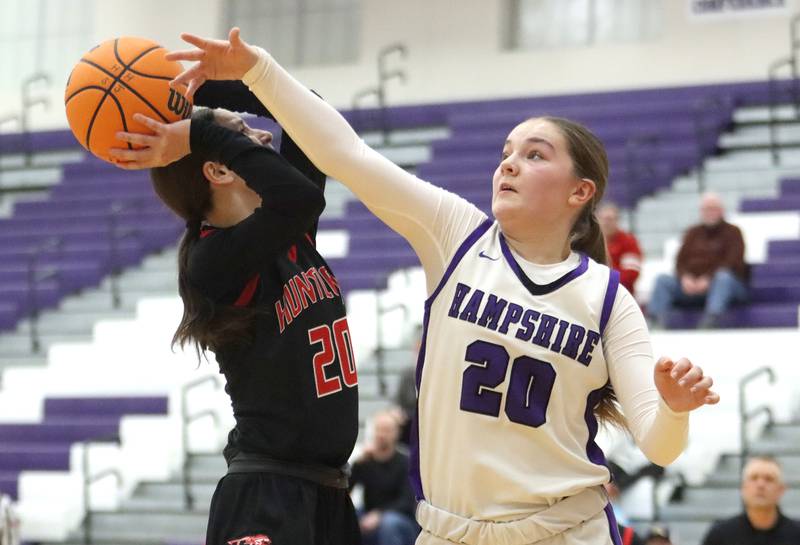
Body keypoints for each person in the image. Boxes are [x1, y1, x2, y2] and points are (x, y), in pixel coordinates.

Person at [120, 28, 720, 545]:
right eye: (505, 152)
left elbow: (661, 445)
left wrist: (674, 408)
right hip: (444, 529)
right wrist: (247, 72)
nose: (508, 163)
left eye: (534, 155)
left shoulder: (608, 297)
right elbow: (343, 151)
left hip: (565, 529)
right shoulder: (456, 234)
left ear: (580, 191)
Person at [110, 81, 361, 544]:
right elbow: (303, 197)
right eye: (243, 132)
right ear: (218, 169)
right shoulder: (211, 260)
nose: (263, 137)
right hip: (266, 497)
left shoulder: (288, 230)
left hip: (327, 493)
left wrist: (207, 82)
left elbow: (311, 113)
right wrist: (200, 132)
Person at [647, 192, 748, 329]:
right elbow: (679, 261)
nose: (710, 213)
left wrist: (708, 278)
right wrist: (684, 277)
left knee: (723, 278)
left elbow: (733, 262)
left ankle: (712, 319)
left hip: (723, 285)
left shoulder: (733, 232)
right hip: (691, 285)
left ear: (721, 210)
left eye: (713, 208)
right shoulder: (692, 233)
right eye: (706, 209)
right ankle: (655, 321)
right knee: (662, 280)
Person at [351, 411, 419, 545]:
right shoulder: (366, 462)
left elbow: (406, 501)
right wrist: (357, 463)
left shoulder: (406, 462)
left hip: (401, 520)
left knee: (389, 523)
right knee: (347, 518)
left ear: (397, 433)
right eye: (379, 429)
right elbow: (345, 490)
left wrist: (378, 514)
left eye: (387, 430)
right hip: (370, 514)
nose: (382, 435)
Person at [700, 456, 800, 545]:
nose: (761, 485)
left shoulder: (797, 533)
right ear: (743, 487)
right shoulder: (720, 534)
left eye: (769, 479)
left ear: (781, 489)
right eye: (754, 478)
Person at [597, 202, 642, 297]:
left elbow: (631, 274)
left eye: (610, 219)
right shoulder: (590, 241)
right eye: (603, 219)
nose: (606, 223)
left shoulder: (628, 241)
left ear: (617, 221)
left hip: (620, 295)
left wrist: (602, 281)